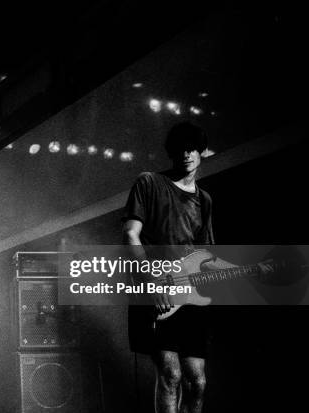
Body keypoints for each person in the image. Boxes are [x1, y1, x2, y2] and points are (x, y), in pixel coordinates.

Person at [122, 122, 213, 413]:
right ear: (172, 152)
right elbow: (130, 234)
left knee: (197, 382)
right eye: (181, 148)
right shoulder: (148, 182)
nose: (187, 153)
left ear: (201, 152)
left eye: (192, 148)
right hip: (154, 290)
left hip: (189, 296)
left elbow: (205, 254)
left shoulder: (204, 200)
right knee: (170, 375)